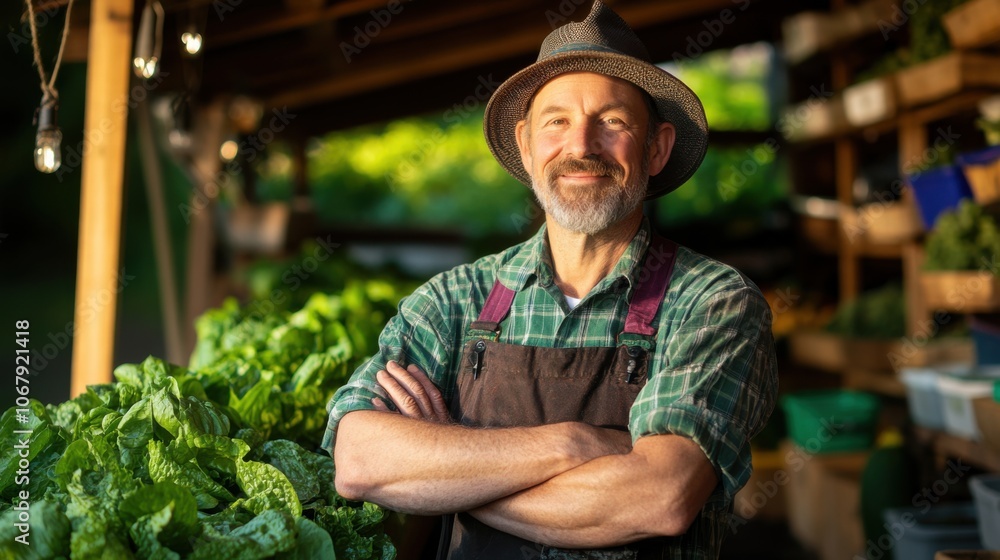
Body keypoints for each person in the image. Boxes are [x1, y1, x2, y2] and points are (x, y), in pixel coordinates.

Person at [322, 2, 778, 558]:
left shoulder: (712, 304)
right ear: (526, 145)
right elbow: (360, 460)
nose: (581, 145)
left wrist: (447, 480)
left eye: (612, 122)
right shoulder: (454, 302)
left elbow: (659, 497)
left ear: (656, 148)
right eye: (556, 121)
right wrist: (571, 445)